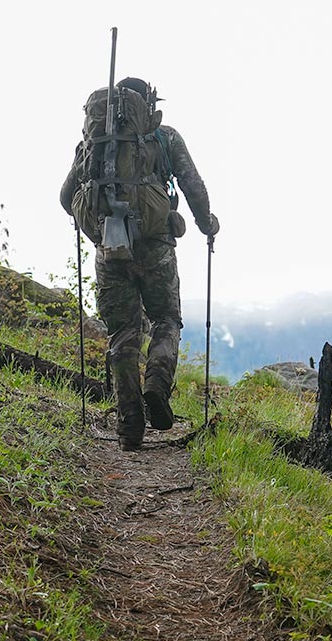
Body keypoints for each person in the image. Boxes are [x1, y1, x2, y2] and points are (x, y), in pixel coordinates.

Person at [59, 76, 218, 451]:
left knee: (122, 333)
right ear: (147, 108)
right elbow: (192, 184)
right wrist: (206, 224)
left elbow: (66, 196)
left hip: (109, 247)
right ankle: (157, 387)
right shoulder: (165, 137)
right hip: (155, 244)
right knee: (166, 319)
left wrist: (97, 222)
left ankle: (130, 422)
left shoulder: (93, 143)